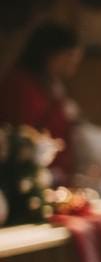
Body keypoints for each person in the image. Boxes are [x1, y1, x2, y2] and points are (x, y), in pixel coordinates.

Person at [0, 22, 84, 181]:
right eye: (69, 58)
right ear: (50, 55)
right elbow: (23, 136)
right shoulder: (20, 85)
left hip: (55, 175)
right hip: (26, 178)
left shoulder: (51, 85)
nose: (73, 66)